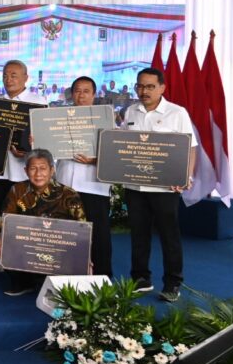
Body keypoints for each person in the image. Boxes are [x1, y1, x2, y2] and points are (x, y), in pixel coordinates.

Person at [123, 67, 197, 302]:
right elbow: (124, 144)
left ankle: (173, 283)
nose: (144, 91)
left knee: (169, 235)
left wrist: (186, 176)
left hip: (165, 187)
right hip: (135, 186)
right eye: (140, 86)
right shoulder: (130, 111)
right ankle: (140, 278)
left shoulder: (177, 112)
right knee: (138, 234)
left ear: (162, 88)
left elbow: (190, 147)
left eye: (150, 86)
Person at [0, 149, 86, 297]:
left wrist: (85, 255)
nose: (38, 174)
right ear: (25, 171)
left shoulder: (69, 194)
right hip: (27, 246)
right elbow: (4, 218)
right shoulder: (17, 190)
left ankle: (50, 279)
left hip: (58, 249)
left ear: (52, 170)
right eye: (33, 168)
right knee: (5, 243)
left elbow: (82, 228)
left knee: (64, 283)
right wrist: (0, 238)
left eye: (43, 168)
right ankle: (24, 282)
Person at [54, 76, 113, 277]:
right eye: (77, 91)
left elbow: (115, 153)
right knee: (64, 231)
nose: (81, 95)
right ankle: (63, 275)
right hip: (64, 183)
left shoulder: (106, 120)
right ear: (72, 94)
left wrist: (95, 160)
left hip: (93, 185)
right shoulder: (58, 119)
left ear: (94, 95)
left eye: (86, 91)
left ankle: (102, 276)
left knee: (98, 233)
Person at [0, 61, 46, 221]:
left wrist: (31, 149)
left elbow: (45, 138)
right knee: (1, 217)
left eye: (13, 75)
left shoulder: (39, 102)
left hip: (27, 173)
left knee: (26, 219)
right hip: (1, 172)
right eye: (5, 76)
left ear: (26, 78)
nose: (8, 79)